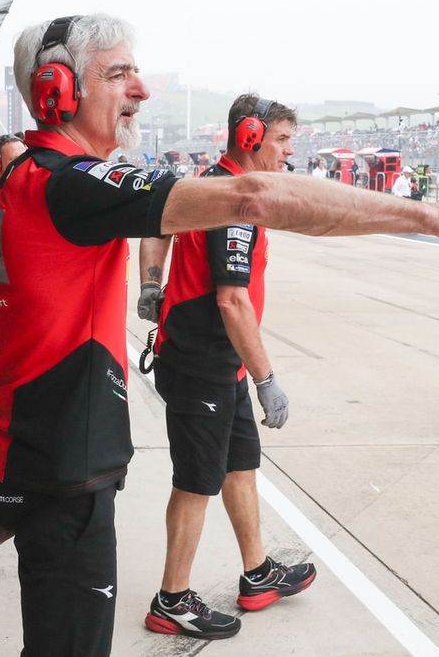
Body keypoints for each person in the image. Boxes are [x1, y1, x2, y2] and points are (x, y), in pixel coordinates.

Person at [0, 13, 439, 657]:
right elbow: (255, 197)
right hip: (63, 460)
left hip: (36, 443)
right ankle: (179, 594)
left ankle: (255, 567)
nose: (140, 90)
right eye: (119, 73)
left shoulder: (27, 178)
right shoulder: (66, 182)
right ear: (57, 88)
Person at [135, 94, 319, 641]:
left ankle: (258, 573)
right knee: (197, 481)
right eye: (282, 140)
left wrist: (151, 282)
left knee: (240, 464)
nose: (290, 151)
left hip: (223, 361)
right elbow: (231, 300)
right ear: (250, 137)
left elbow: (157, 225)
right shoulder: (233, 205)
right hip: (202, 362)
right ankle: (171, 600)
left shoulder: (203, 184)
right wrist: (267, 379)